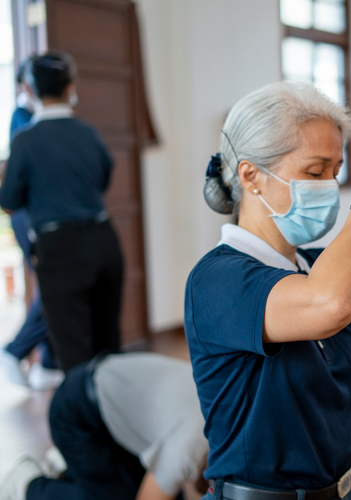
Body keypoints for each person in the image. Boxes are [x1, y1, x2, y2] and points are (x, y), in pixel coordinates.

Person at [185, 81, 351, 500]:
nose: (328, 185)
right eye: (314, 172)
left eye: (335, 172)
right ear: (251, 175)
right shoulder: (217, 280)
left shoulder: (315, 264)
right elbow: (330, 303)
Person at [0, 51, 124, 372]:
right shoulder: (88, 132)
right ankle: (115, 418)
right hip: (104, 241)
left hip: (60, 249)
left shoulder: (25, 141)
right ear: (71, 87)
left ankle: (83, 419)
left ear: (29, 90)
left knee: (75, 355)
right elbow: (103, 177)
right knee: (109, 347)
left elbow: (9, 199)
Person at [0, 352, 209, 500]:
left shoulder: (227, 412)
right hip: (77, 412)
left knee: (169, 489)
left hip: (122, 420)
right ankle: (27, 484)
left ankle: (69, 468)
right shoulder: (189, 446)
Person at [0, 57, 64, 391]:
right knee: (52, 289)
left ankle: (50, 362)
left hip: (47, 217)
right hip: (30, 217)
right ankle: (14, 351)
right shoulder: (23, 119)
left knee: (51, 287)